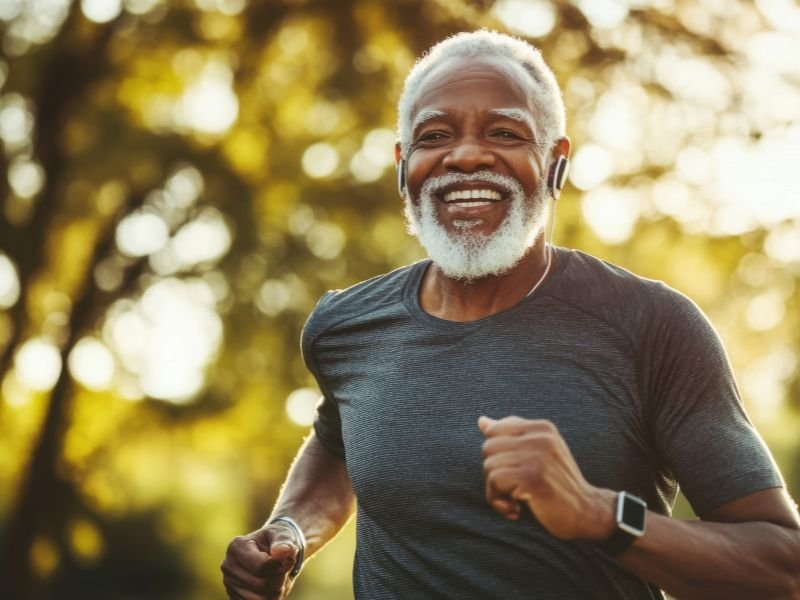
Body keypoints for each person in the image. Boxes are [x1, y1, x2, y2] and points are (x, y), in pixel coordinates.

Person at [221, 30, 800, 599]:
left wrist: (597, 514)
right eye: (434, 135)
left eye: (504, 132)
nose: (466, 154)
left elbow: (781, 567)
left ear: (555, 162)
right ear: (404, 164)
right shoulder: (345, 327)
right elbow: (338, 443)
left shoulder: (653, 327)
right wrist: (290, 533)